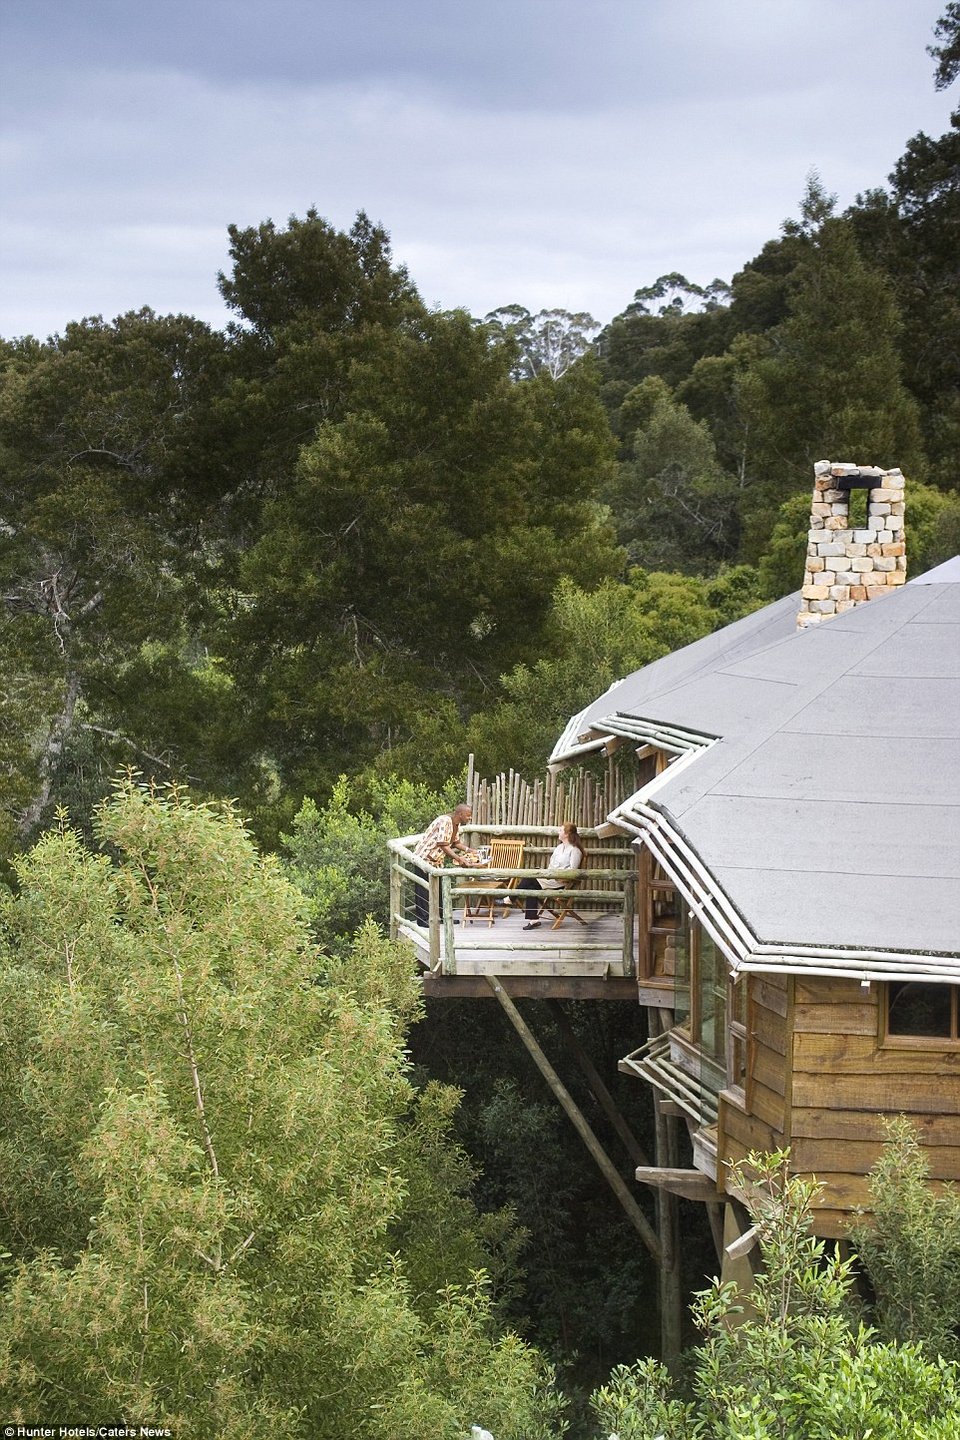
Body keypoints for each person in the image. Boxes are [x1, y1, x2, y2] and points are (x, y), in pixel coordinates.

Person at [412, 804, 478, 926]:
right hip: (424, 857)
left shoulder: (456, 825)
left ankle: (443, 917)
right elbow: (443, 844)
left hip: (437, 861)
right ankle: (422, 920)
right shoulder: (445, 821)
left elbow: (456, 843)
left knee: (441, 890)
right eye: (468, 816)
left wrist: (470, 851)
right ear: (460, 814)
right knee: (423, 890)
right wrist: (459, 859)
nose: (470, 818)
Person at [519, 822, 585, 927]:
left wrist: (557, 875)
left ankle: (510, 898)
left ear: (567, 834)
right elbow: (551, 864)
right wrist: (547, 873)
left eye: (560, 830)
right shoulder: (559, 848)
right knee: (531, 887)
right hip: (550, 878)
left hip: (561, 882)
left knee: (529, 879)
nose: (558, 832)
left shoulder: (575, 851)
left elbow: (573, 871)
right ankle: (533, 920)